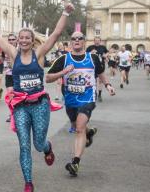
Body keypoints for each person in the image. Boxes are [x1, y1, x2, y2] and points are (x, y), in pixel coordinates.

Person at [0, 4, 73, 192]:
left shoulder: (39, 54)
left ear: (32, 40)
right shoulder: (13, 54)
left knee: (38, 143)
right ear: (18, 41)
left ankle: (47, 148)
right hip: (20, 106)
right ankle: (28, 183)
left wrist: (65, 13)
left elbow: (55, 34)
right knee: (24, 146)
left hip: (40, 105)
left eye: (27, 38)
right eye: (21, 38)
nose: (24, 41)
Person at [46, 31, 115, 177]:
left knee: (79, 129)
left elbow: (101, 72)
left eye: (80, 38)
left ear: (84, 41)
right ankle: (89, 132)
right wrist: (63, 72)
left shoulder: (93, 57)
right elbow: (48, 78)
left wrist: (108, 85)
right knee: (75, 125)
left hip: (87, 98)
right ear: (71, 42)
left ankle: (75, 162)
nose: (76, 40)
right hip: (70, 100)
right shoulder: (63, 59)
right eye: (73, 39)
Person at [86, 37, 108, 102]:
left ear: (100, 41)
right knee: (94, 80)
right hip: (92, 66)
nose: (97, 41)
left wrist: (105, 55)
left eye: (98, 40)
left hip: (101, 65)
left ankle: (100, 95)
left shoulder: (103, 47)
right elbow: (85, 55)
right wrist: (90, 52)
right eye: (96, 40)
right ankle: (94, 92)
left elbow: (107, 53)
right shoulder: (90, 47)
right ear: (94, 41)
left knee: (100, 80)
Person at [3, 34, 18, 121]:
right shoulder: (5, 50)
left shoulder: (20, 50)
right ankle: (11, 114)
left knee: (18, 95)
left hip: (18, 75)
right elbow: (1, 58)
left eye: (13, 39)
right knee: (10, 94)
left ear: (16, 40)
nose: (11, 41)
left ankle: (18, 112)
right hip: (9, 75)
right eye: (9, 39)